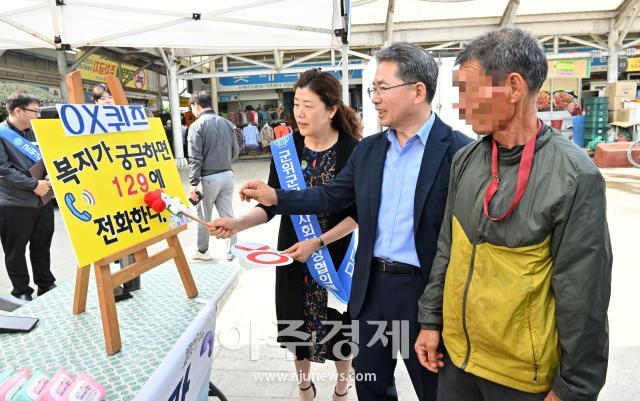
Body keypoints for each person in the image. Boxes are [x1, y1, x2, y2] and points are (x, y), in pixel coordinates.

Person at [232, 43, 472, 401]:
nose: (374, 98)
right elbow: (330, 196)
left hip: (423, 295)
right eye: (372, 89)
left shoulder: (459, 152)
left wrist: (440, 312)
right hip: (370, 290)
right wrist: (276, 197)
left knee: (433, 390)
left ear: (418, 91)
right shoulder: (370, 150)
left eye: (382, 88)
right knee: (372, 388)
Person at [414, 27, 612, 401]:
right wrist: (431, 320)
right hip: (457, 363)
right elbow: (447, 250)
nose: (460, 105)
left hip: (522, 379)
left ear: (514, 88)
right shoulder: (466, 160)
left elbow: (585, 294)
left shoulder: (575, 177)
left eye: (468, 91)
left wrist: (574, 388)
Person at [210, 69, 361, 401]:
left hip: (332, 254)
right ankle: (304, 385)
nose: (299, 113)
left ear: (332, 109)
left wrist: (318, 241)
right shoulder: (286, 149)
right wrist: (236, 224)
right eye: (296, 104)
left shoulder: (353, 150)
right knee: (295, 323)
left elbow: (356, 215)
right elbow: (271, 205)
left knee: (339, 324)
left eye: (309, 105)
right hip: (291, 253)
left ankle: (341, 385)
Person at [0, 91, 55, 301]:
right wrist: (33, 184)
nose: (38, 116)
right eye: (35, 111)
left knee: (42, 245)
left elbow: (49, 157)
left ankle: (46, 283)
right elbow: (3, 169)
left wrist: (50, 176)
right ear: (18, 111)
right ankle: (22, 291)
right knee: (15, 251)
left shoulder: (36, 132)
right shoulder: (1, 134)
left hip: (42, 200)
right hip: (14, 203)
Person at [188, 90, 239, 261]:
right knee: (228, 216)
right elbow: (236, 151)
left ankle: (202, 252)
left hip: (208, 178)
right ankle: (232, 252)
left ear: (196, 105)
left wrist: (193, 183)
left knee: (203, 217)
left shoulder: (196, 126)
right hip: (227, 175)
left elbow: (195, 158)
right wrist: (224, 162)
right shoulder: (226, 123)